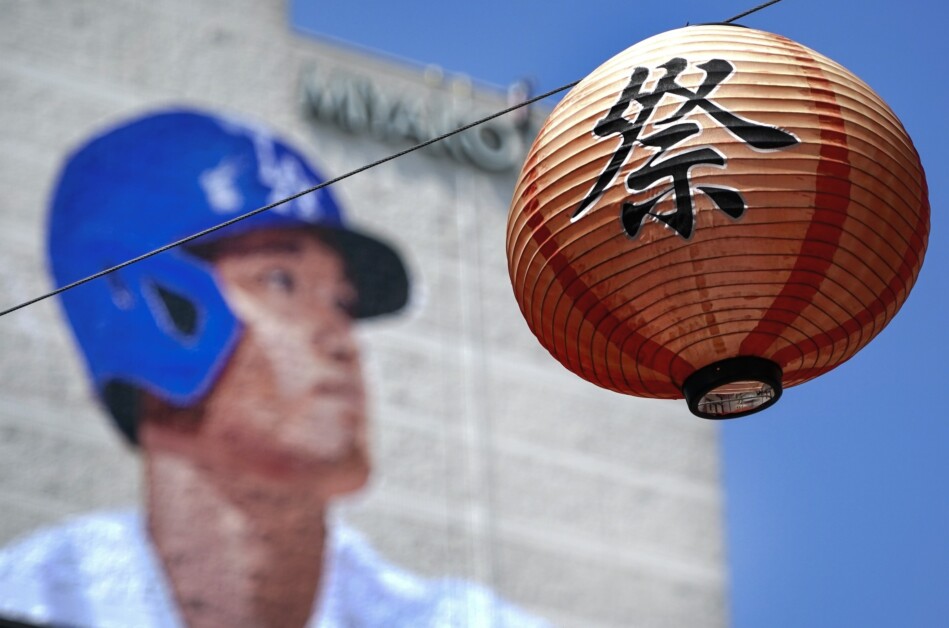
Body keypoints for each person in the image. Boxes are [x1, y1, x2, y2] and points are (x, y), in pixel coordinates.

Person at [0, 110, 545, 628]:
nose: (340, 339)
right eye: (280, 281)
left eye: (341, 301)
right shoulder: (34, 596)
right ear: (147, 307)